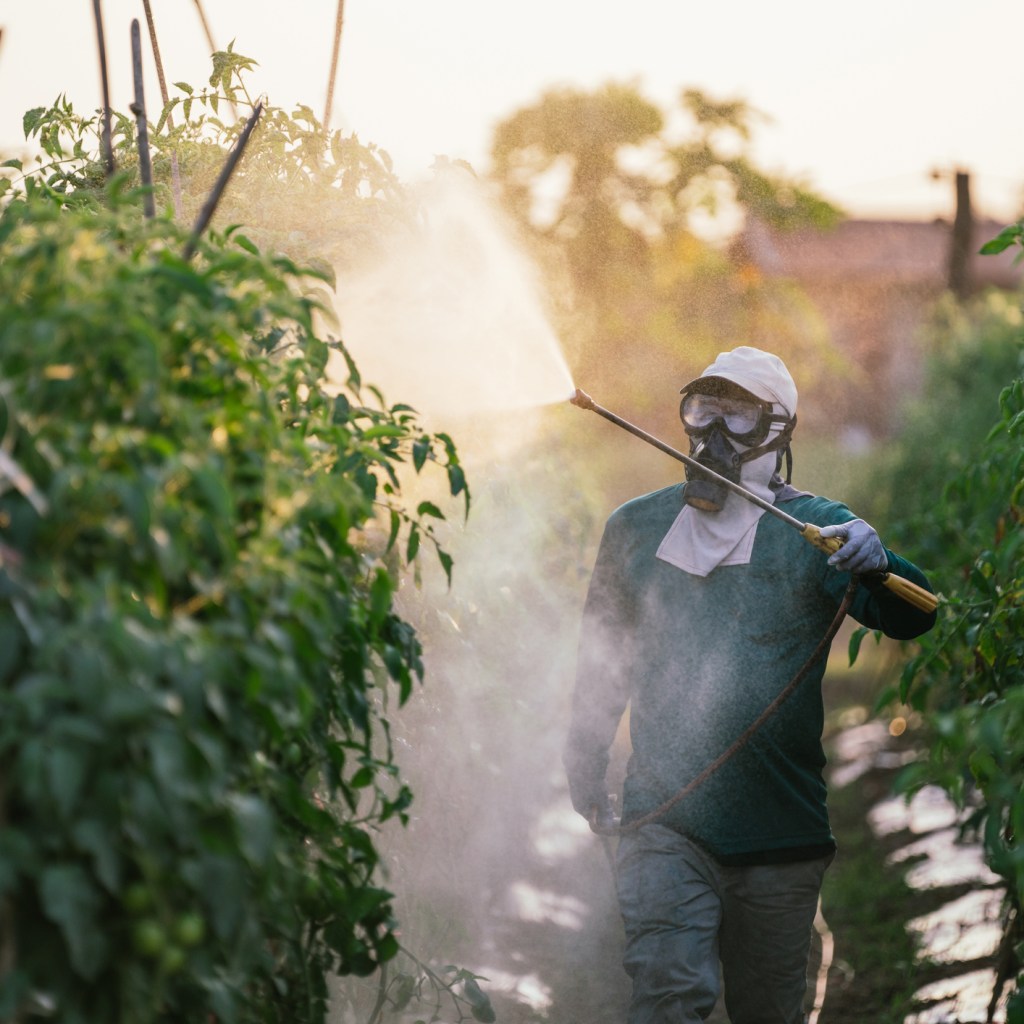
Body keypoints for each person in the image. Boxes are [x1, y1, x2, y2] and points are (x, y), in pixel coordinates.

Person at [564, 346, 936, 1024]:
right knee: (668, 997)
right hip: (667, 822)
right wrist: (584, 764)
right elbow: (602, 659)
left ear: (778, 431)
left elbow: (914, 617)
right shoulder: (636, 530)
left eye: (738, 418)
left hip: (780, 834)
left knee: (769, 1011)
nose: (713, 434)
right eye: (704, 411)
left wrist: (878, 562)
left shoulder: (814, 535)